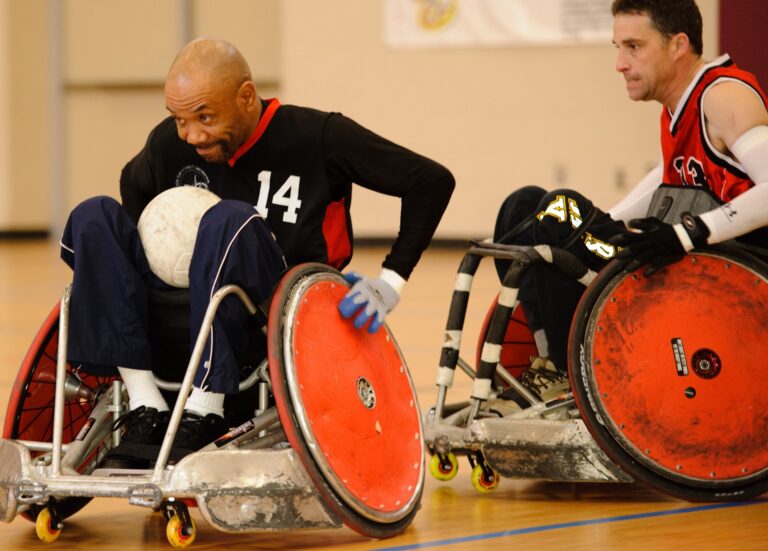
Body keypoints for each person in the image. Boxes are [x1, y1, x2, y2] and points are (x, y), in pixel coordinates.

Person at [60, 38, 454, 467]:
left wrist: (390, 283)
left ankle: (205, 411)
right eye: (179, 120)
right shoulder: (168, 144)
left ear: (246, 96)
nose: (191, 135)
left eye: (204, 117)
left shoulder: (317, 137)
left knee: (226, 219)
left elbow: (431, 181)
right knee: (92, 216)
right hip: (180, 308)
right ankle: (144, 403)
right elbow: (131, 186)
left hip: (273, 309)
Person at [492, 0, 768, 401]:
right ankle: (553, 360)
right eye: (617, 47)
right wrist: (605, 220)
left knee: (560, 208)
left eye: (634, 47)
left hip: (719, 285)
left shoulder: (724, 96)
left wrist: (688, 234)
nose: (620, 63)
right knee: (524, 206)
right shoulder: (677, 106)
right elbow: (662, 180)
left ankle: (570, 371)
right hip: (681, 269)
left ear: (678, 45)